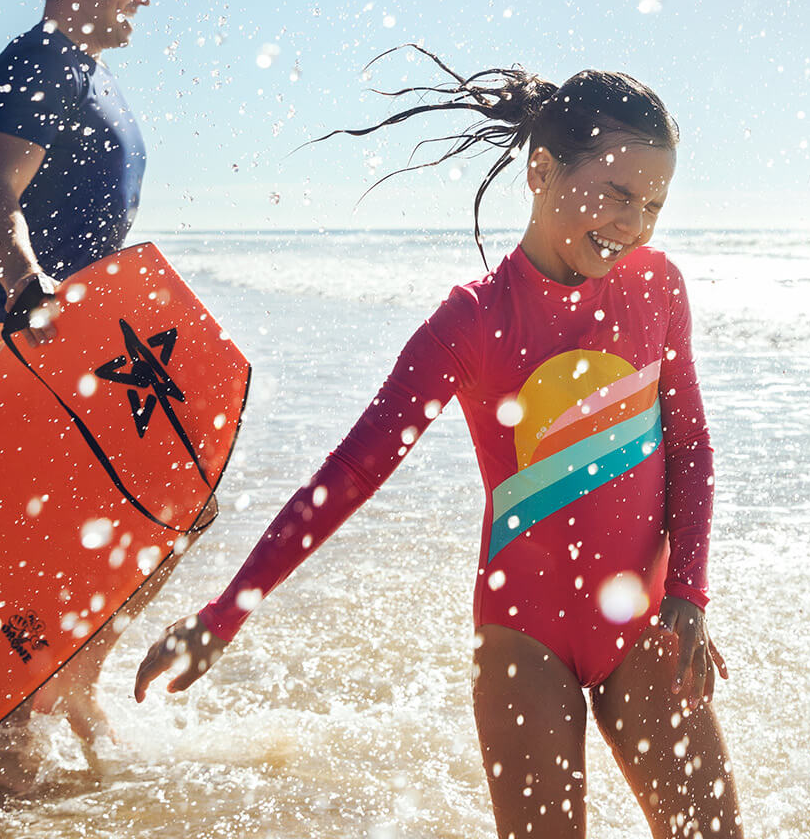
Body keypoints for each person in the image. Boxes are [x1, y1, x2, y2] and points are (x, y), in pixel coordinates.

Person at [136, 52, 744, 839]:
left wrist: (689, 596)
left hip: (651, 621)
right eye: (617, 193)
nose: (632, 225)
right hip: (527, 636)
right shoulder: (473, 323)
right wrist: (224, 615)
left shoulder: (657, 287)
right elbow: (352, 472)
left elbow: (691, 448)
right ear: (542, 171)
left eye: (653, 205)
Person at [0, 0, 171, 771]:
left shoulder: (88, 71)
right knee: (125, 522)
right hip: (23, 339)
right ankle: (29, 731)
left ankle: (61, 695)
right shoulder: (36, 63)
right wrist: (26, 290)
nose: (144, 1)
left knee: (151, 516)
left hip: (72, 342)